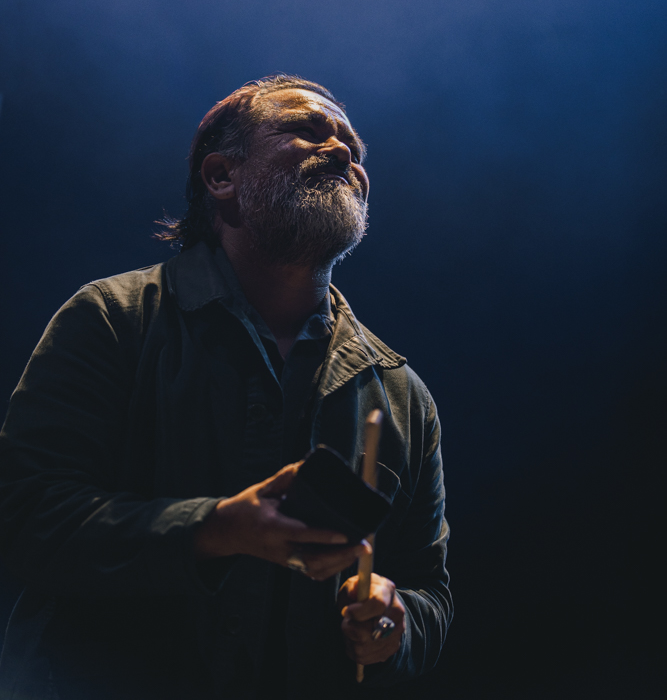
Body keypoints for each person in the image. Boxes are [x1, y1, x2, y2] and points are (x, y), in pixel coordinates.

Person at [0, 75, 453, 699]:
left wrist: (397, 624)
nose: (346, 152)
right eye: (306, 130)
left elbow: (430, 589)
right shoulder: (111, 318)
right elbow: (22, 520)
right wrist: (216, 529)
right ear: (222, 177)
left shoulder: (402, 394)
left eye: (353, 145)